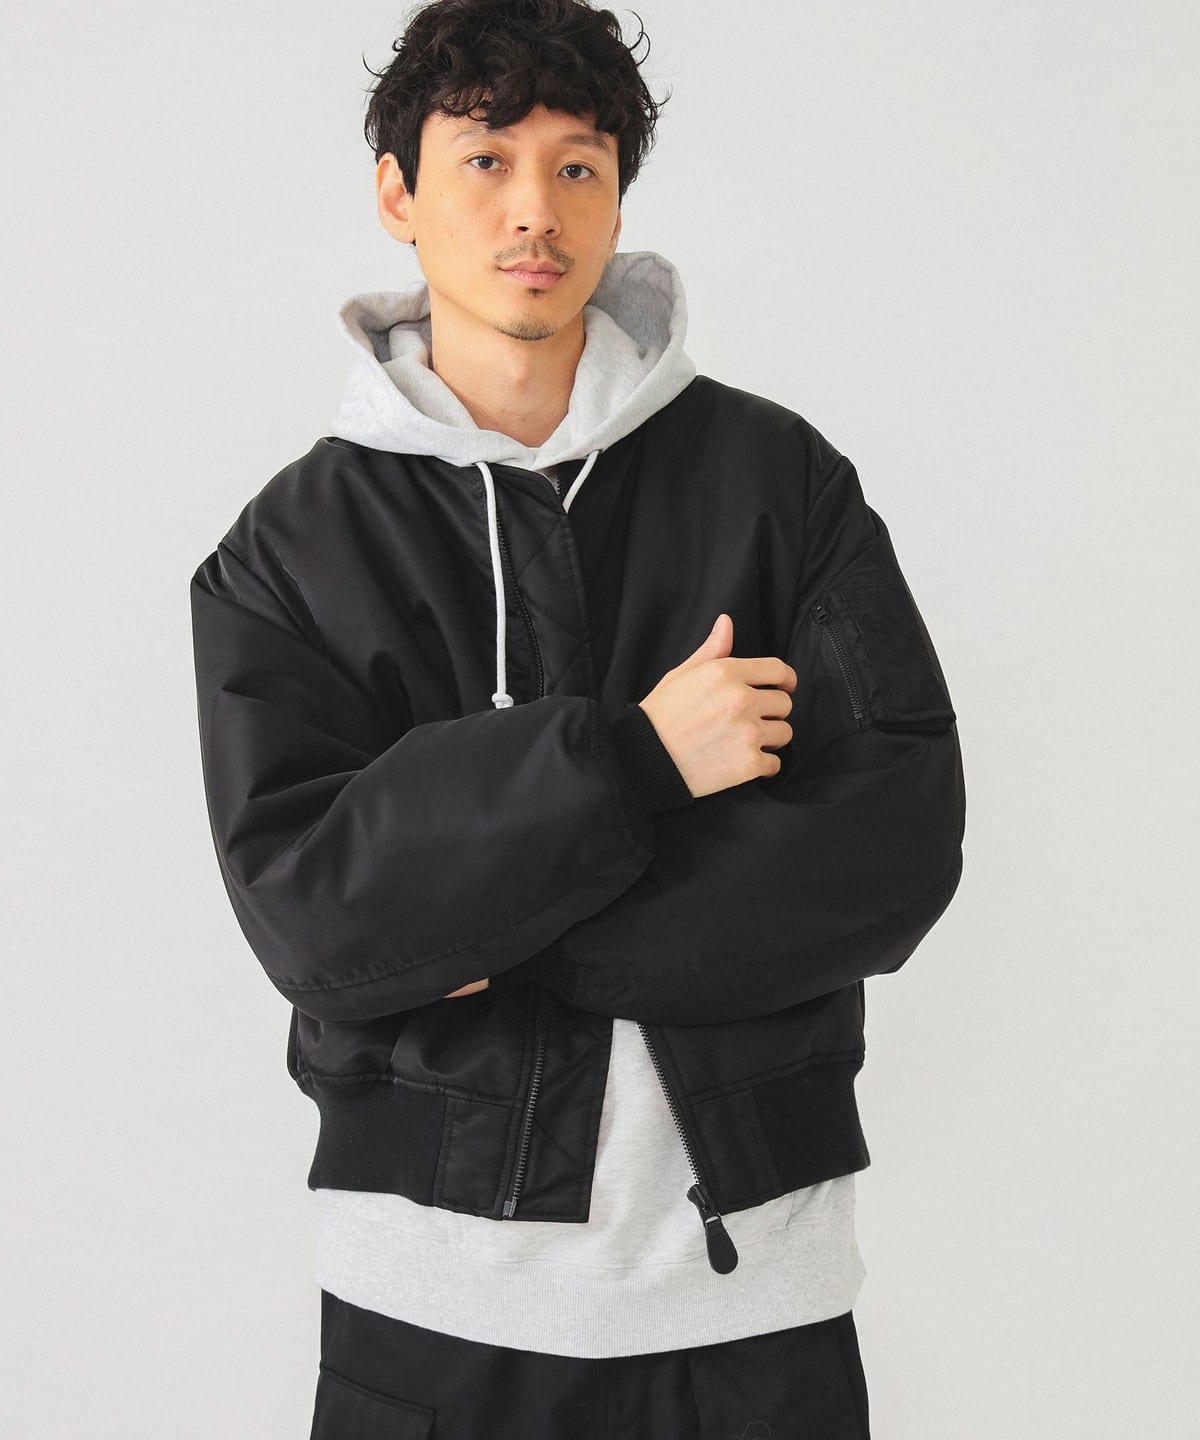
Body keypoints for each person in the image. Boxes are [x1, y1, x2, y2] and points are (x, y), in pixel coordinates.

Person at [188, 0, 966, 1434]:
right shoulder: (290, 550)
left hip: (754, 1308)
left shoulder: (780, 484)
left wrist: (479, 930)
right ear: (398, 194)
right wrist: (642, 760)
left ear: (617, 200)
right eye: (485, 160)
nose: (534, 210)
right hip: (428, 1314)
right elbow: (311, 920)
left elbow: (894, 851)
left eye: (578, 166)